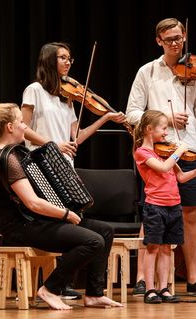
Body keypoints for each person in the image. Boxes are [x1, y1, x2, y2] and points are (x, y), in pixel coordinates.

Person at [0, 102, 123, 310]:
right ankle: (51, 289)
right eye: (21, 123)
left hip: (37, 221)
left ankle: (94, 294)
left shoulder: (17, 154)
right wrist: (65, 214)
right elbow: (32, 202)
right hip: (21, 227)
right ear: (10, 127)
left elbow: (38, 194)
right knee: (93, 241)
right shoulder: (7, 158)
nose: (25, 128)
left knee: (105, 231)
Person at [126, 17, 196, 295]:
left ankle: (194, 278)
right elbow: (131, 113)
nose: (175, 43)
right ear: (158, 40)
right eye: (169, 39)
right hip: (158, 152)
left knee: (190, 214)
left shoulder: (194, 73)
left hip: (189, 150)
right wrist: (166, 119)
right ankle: (143, 280)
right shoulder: (147, 72)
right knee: (153, 213)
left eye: (179, 38)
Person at [21, 42, 126, 298]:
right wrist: (53, 143)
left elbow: (75, 138)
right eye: (63, 58)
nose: (69, 63)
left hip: (65, 168)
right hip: (41, 166)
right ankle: (56, 284)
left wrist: (104, 118)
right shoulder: (33, 90)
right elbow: (22, 129)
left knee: (76, 222)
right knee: (63, 223)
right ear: (49, 60)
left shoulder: (67, 98)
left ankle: (69, 285)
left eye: (70, 58)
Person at [133, 110, 196, 303]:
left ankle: (164, 289)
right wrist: (179, 151)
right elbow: (162, 168)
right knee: (153, 248)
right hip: (155, 206)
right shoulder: (142, 152)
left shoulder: (165, 151)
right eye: (163, 128)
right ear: (149, 129)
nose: (166, 133)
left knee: (168, 248)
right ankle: (150, 289)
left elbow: (182, 177)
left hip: (173, 205)